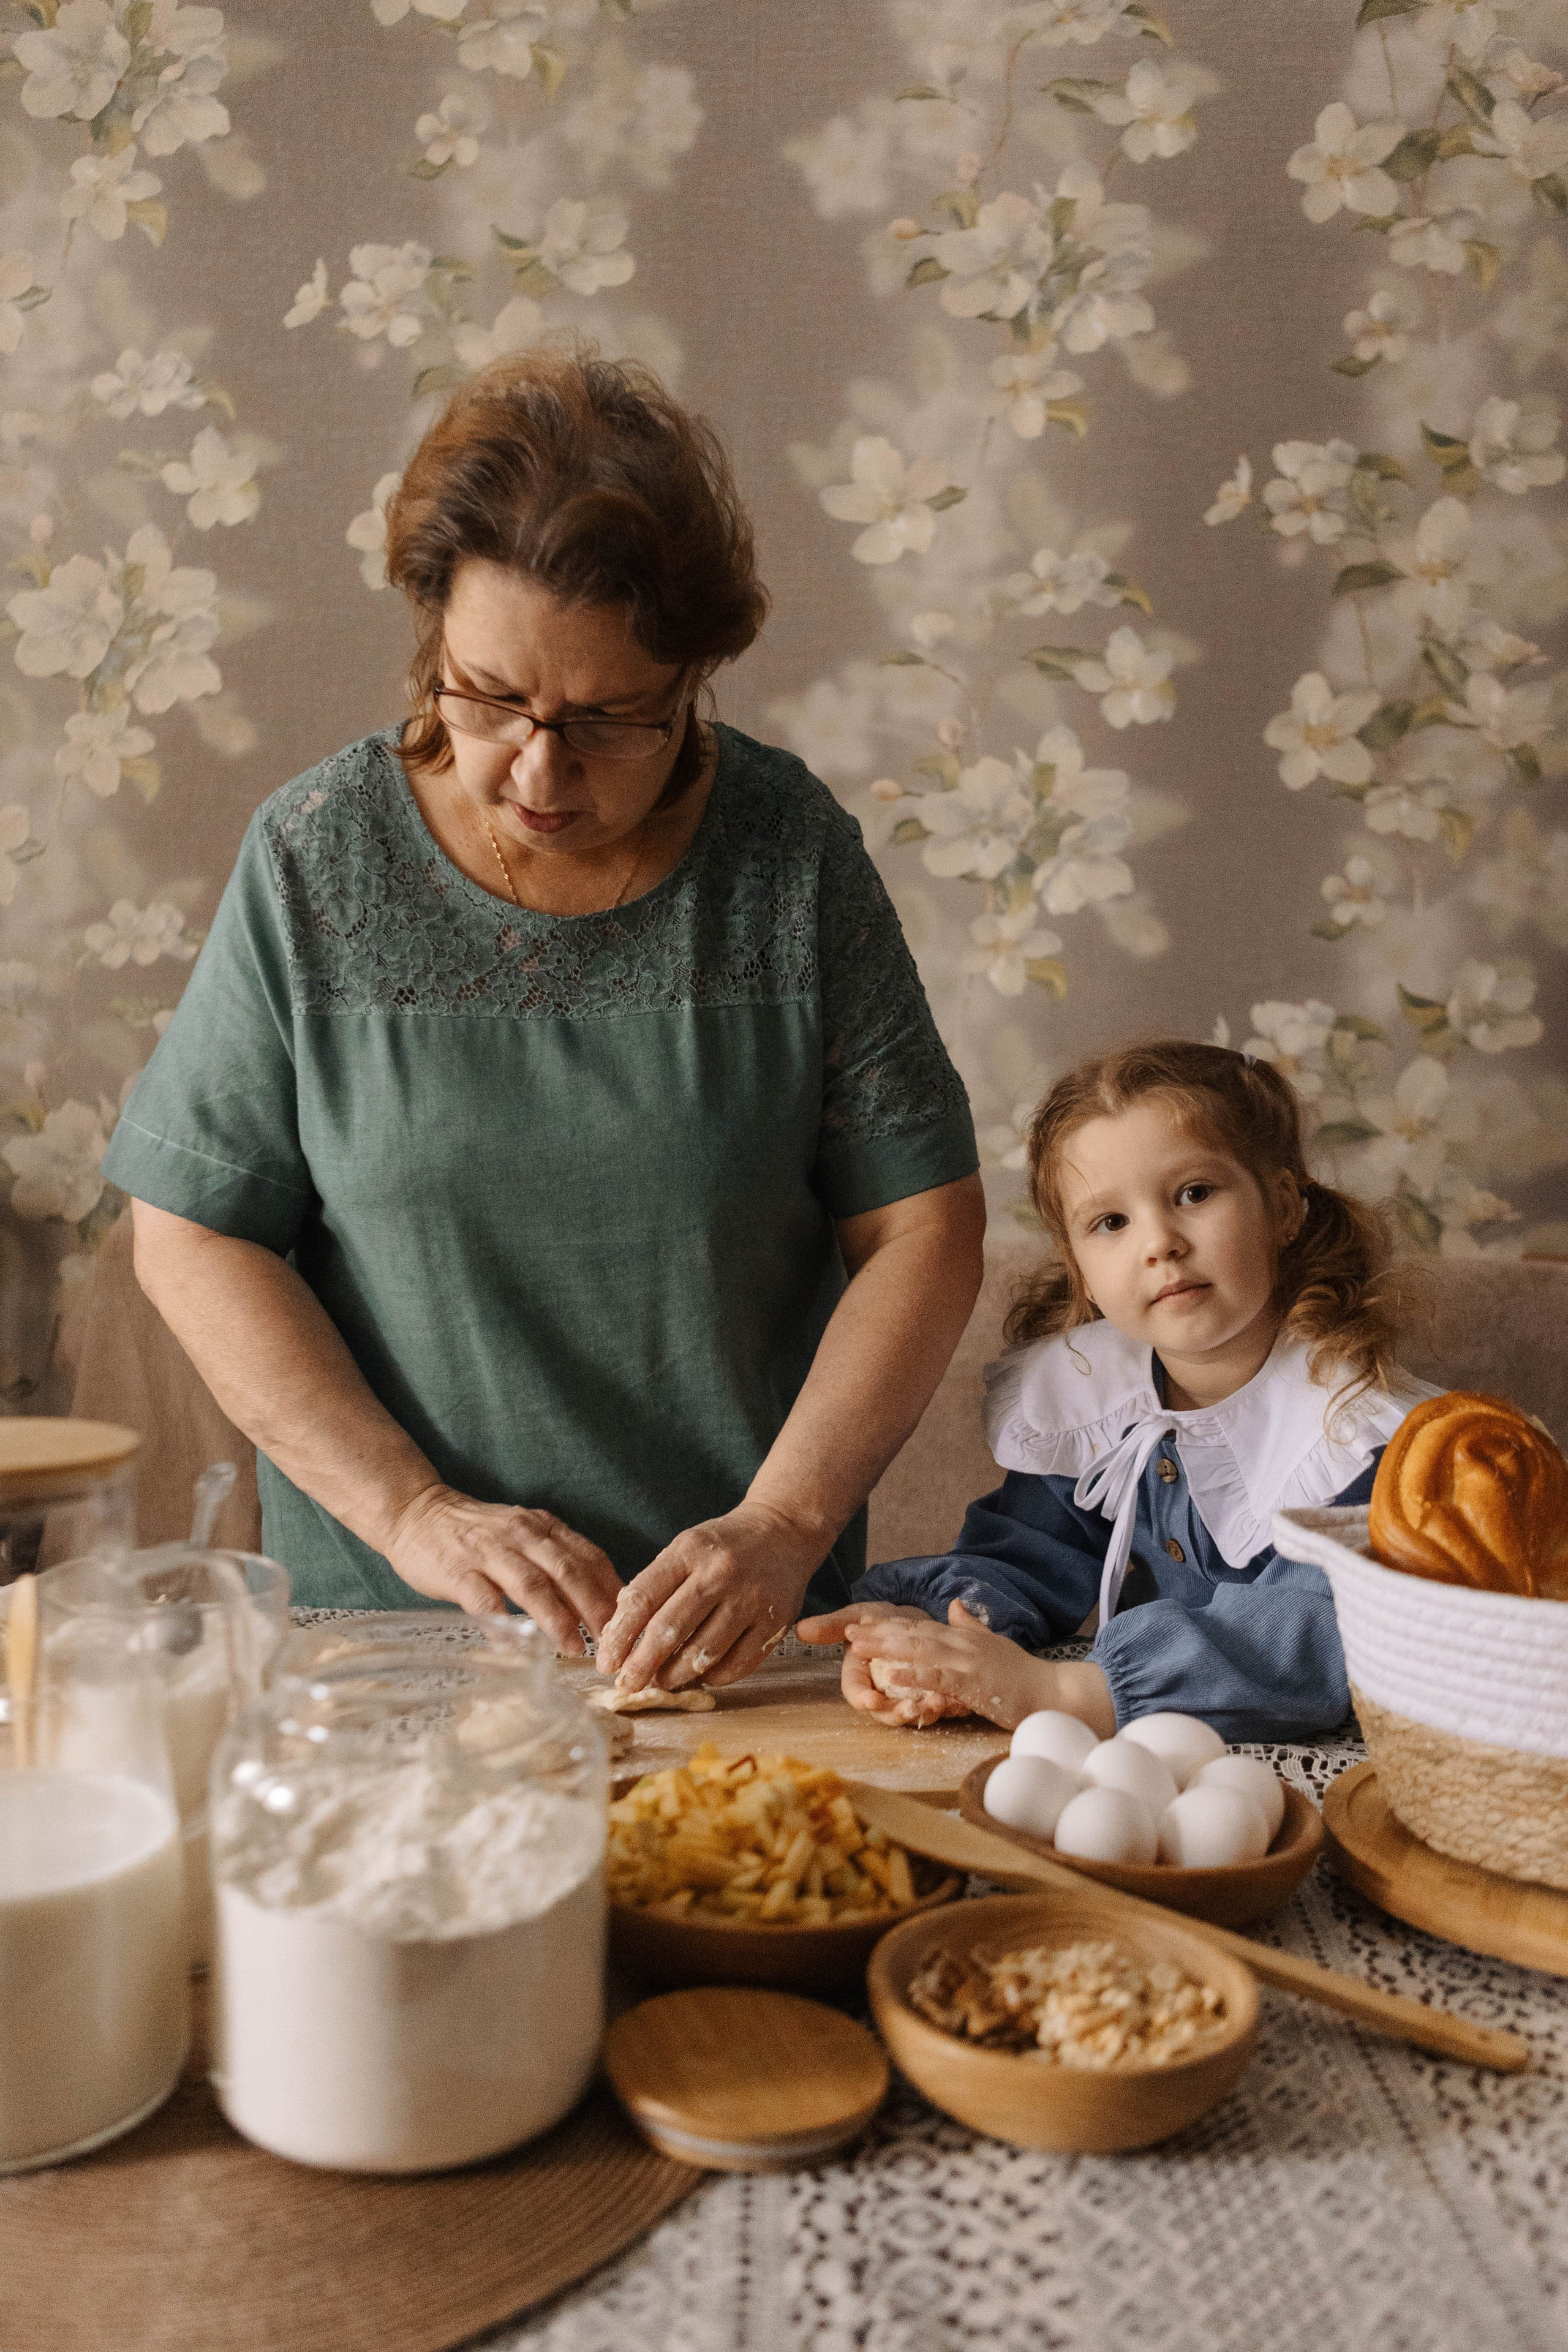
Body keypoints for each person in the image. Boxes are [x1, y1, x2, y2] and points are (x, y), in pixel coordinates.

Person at [105, 349, 985, 1694]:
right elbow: (190, 1230)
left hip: (726, 1642)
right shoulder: (316, 858)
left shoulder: (786, 856)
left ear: (694, 676)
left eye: (607, 720)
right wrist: (410, 1513)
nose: (538, 767)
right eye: (488, 696)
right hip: (379, 1643)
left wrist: (786, 1524)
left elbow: (922, 1228)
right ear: (429, 635)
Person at [798, 1039, 1433, 1742]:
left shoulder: (1349, 1430)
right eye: (1111, 1223)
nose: (1158, 1242)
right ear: (1080, 1270)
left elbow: (1310, 1640)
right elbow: (1025, 1554)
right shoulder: (1101, 1401)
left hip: (1334, 1770)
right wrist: (934, 1639)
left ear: (1282, 1205)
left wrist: (1059, 1690)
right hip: (1154, 1750)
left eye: (1194, 1194)